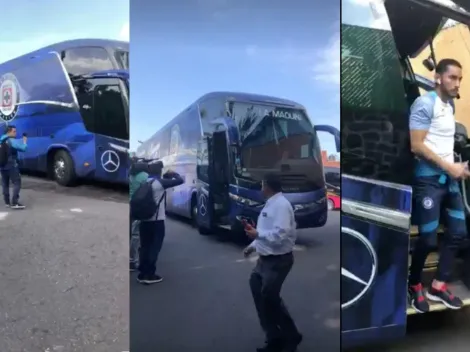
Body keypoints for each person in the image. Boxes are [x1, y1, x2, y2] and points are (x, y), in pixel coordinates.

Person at [408, 58, 469, 313]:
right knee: (428, 239)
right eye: (452, 77)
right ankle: (414, 286)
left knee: (458, 232)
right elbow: (417, 146)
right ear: (438, 78)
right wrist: (450, 167)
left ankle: (438, 285)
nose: (457, 83)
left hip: (450, 180)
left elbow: (443, 142)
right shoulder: (424, 103)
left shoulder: (450, 105)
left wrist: (460, 166)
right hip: (428, 181)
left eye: (460, 79)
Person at [244, 173, 302, 352]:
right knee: (259, 292)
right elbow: (265, 230)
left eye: (262, 184)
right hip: (264, 260)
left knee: (269, 298)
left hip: (278, 261)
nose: (261, 188)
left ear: (267, 186)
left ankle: (291, 336)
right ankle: (274, 337)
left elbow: (281, 233)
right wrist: (253, 244)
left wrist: (257, 235)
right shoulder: (271, 204)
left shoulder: (282, 205)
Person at [134, 162, 184, 285]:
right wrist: (173, 173)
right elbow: (180, 180)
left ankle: (142, 273)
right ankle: (150, 274)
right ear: (159, 172)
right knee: (154, 247)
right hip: (157, 221)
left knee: (144, 247)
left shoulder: (145, 182)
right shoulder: (159, 183)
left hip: (144, 220)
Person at [0, 125, 27, 209]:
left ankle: (7, 202)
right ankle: (15, 202)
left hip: (2, 165)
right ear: (9, 132)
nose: (15, 133)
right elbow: (23, 148)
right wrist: (25, 141)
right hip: (11, 165)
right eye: (14, 131)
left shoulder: (1, 140)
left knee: (5, 184)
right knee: (17, 182)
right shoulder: (11, 141)